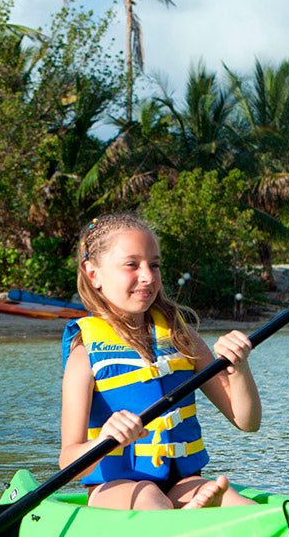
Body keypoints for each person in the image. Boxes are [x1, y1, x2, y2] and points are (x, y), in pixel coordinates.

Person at [59, 212, 261, 510]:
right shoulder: (84, 355)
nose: (148, 276)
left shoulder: (181, 337)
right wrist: (103, 441)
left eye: (154, 265)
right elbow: (68, 462)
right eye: (132, 265)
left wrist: (240, 368)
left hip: (182, 484)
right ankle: (186, 524)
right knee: (148, 497)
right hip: (115, 489)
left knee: (232, 500)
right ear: (93, 274)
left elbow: (247, 422)